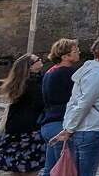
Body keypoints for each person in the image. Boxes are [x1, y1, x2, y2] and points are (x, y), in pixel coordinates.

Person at [50, 33, 99, 176]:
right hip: (90, 130)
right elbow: (83, 102)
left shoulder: (94, 68)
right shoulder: (98, 72)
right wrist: (69, 128)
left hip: (85, 129)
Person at [0, 53, 46, 175]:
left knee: (17, 166)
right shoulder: (33, 84)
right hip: (29, 129)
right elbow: (40, 103)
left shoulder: (21, 82)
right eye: (36, 60)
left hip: (15, 128)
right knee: (30, 168)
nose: (40, 60)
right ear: (30, 67)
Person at [39, 39, 80, 176]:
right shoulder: (68, 73)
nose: (79, 52)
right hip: (61, 125)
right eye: (75, 51)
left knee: (49, 169)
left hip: (48, 124)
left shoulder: (49, 72)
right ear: (65, 56)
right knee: (65, 169)